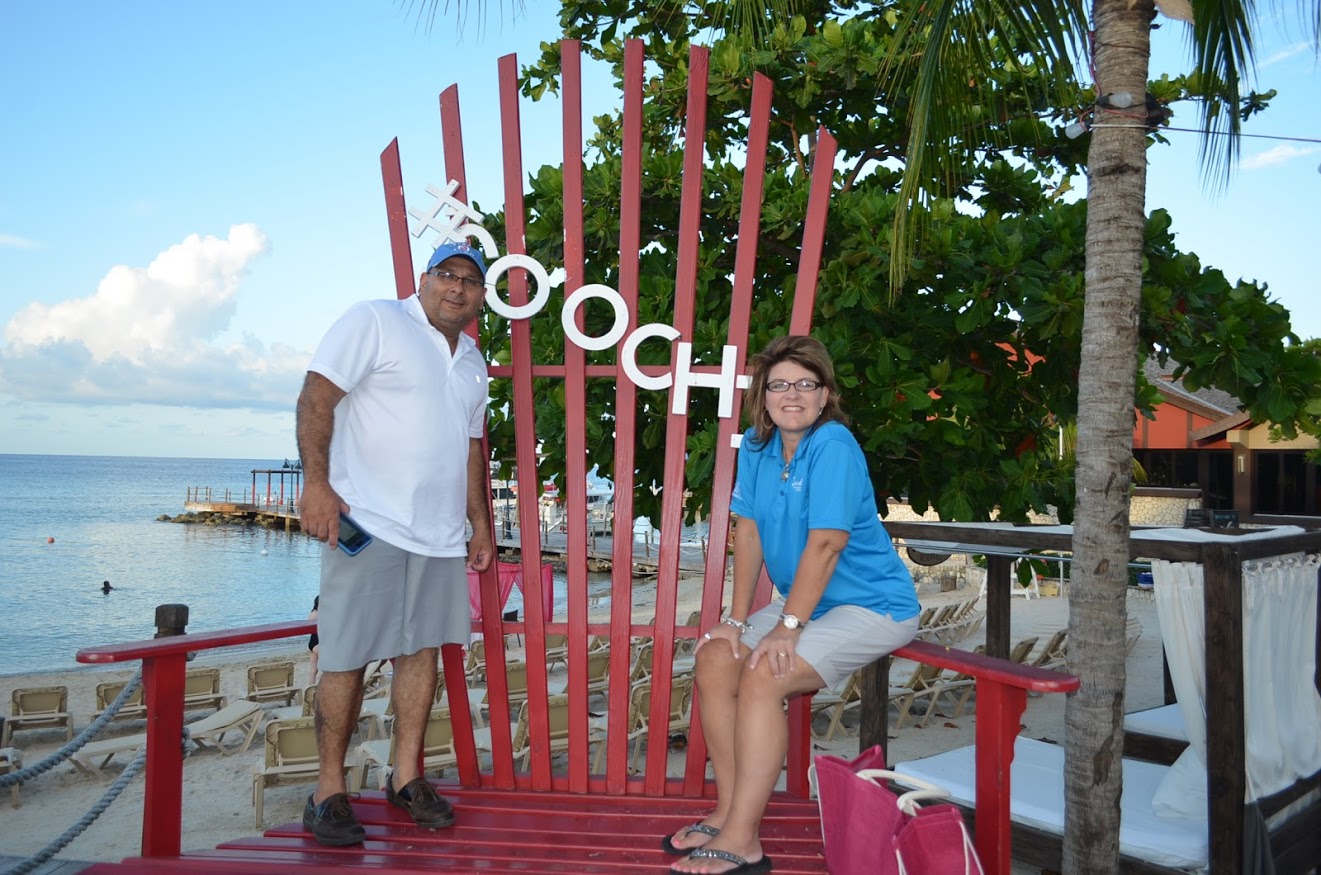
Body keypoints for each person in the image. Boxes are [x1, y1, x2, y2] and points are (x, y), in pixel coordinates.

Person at [664, 335, 921, 875]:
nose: (793, 395)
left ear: (825, 395)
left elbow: (827, 543)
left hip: (873, 606)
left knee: (763, 673)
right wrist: (736, 620)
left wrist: (788, 626)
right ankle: (731, 811)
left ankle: (743, 840)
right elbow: (750, 531)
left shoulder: (834, 446)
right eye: (779, 384)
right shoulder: (756, 447)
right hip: (805, 606)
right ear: (763, 396)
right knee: (715, 655)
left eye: (807, 384)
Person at [295, 239, 494, 847]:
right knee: (346, 655)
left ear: (482, 295)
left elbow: (469, 447)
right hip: (368, 524)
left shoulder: (473, 363)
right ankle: (328, 789)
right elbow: (316, 397)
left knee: (421, 655)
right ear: (425, 278)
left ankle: (405, 776)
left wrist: (479, 521)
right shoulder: (375, 320)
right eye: (446, 274)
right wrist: (317, 486)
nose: (456, 288)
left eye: (470, 280)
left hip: (438, 537)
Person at [307, 596, 320, 685]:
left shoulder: (313, 613)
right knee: (328, 665)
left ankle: (310, 688)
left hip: (312, 643)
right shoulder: (317, 614)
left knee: (313, 670)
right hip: (318, 643)